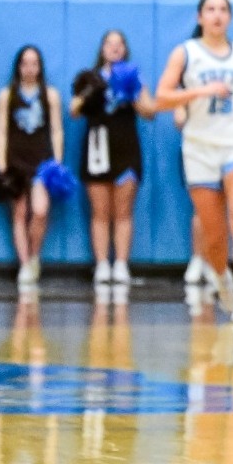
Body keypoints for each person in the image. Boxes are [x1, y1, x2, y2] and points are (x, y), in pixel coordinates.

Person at [156, 0, 233, 324]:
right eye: (210, 9)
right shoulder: (185, 53)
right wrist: (200, 92)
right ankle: (222, 279)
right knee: (213, 235)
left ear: (230, 17)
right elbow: (161, 98)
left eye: (222, 10)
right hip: (200, 146)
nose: (217, 15)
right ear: (199, 17)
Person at [70, 29, 155, 287]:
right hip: (97, 149)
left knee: (123, 211)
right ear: (102, 48)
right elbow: (73, 111)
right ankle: (102, 265)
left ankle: (120, 264)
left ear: (125, 49)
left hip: (126, 147)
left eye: (120, 44)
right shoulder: (90, 76)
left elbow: (150, 112)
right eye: (109, 43)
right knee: (100, 211)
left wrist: (132, 93)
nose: (115, 47)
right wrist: (89, 92)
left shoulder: (133, 76)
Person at [0, 45, 62, 289]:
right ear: (18, 66)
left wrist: (57, 161)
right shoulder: (7, 95)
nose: (30, 68)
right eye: (25, 63)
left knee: (41, 211)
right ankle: (24, 263)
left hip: (42, 162)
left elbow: (56, 130)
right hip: (16, 161)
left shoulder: (50, 95)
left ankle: (34, 256)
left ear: (40, 66)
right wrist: (3, 165)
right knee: (20, 212)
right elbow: (1, 131)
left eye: (34, 63)